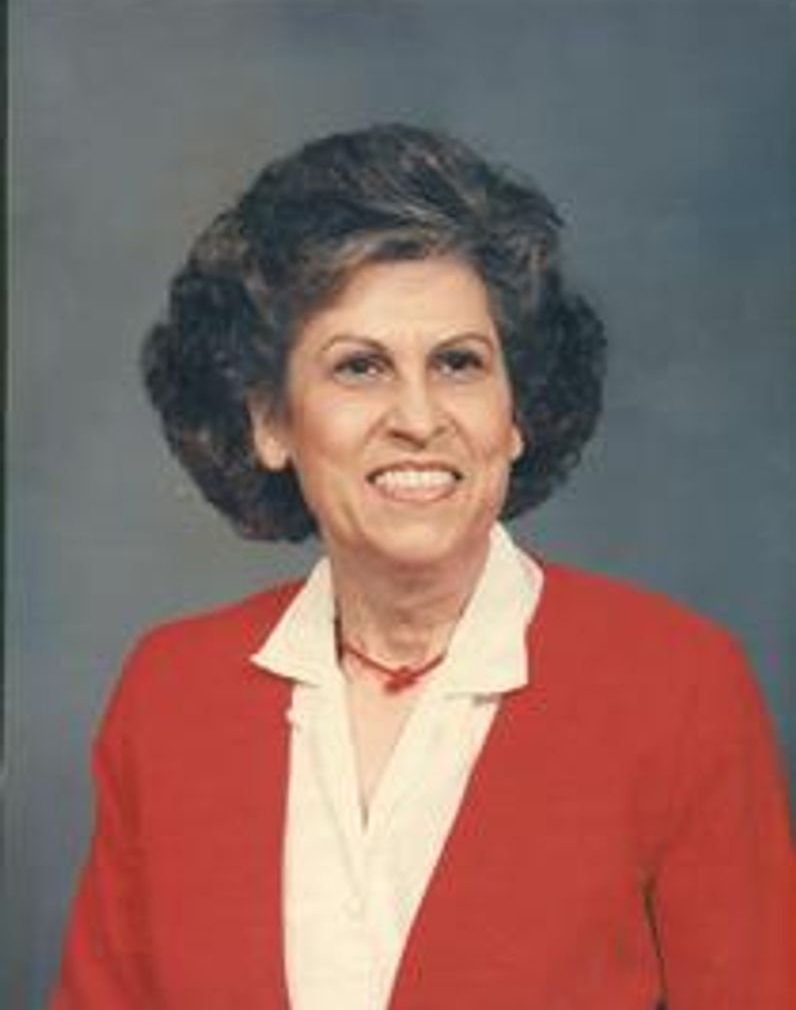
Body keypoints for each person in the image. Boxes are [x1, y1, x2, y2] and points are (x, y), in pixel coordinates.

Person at [51, 124, 792, 1009]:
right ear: (270, 422)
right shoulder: (170, 693)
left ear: (515, 414)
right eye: (360, 367)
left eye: (459, 364)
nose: (418, 416)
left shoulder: (677, 686)